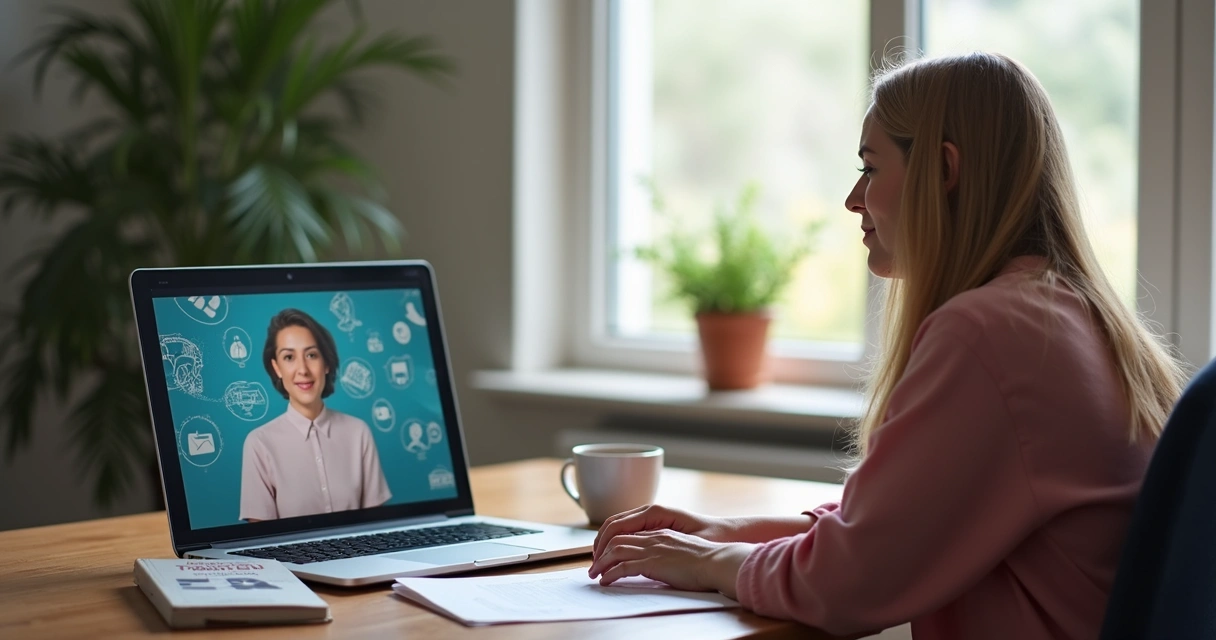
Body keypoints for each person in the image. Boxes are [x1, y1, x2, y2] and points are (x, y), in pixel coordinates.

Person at [588, 52, 1187, 639]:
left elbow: (846, 582)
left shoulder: (991, 331)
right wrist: (730, 533)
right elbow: (898, 525)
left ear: (943, 170)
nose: (854, 198)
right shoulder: (1064, 314)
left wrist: (705, 563)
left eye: (871, 168)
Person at [240, 308, 391, 521]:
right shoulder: (259, 443)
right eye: (289, 357)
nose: (303, 369)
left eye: (311, 355)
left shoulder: (359, 432)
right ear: (277, 368)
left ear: (326, 363)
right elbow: (261, 535)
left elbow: (376, 524)